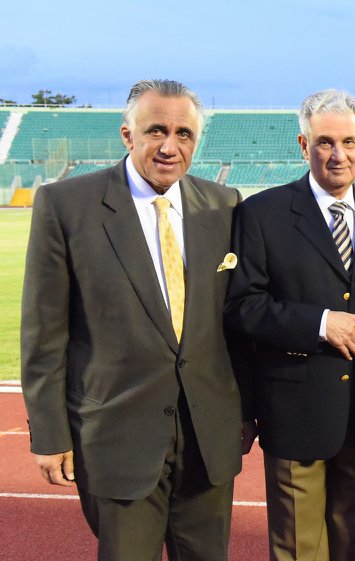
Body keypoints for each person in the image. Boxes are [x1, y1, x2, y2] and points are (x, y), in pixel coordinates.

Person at [21, 79, 243, 560]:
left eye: (184, 134)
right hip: (116, 436)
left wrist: (245, 414)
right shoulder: (66, 206)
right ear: (127, 135)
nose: (169, 146)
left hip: (208, 438)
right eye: (156, 130)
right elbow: (44, 334)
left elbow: (236, 323)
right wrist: (50, 434)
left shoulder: (225, 205)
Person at [224, 89, 355, 561]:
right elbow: (241, 306)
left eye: (348, 142)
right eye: (324, 142)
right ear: (304, 145)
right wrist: (319, 323)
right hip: (295, 413)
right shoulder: (262, 213)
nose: (338, 155)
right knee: (300, 550)